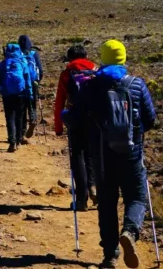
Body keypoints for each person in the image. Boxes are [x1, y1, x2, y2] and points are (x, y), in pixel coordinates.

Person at [66, 40, 156, 269]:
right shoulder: (136, 84)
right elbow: (150, 119)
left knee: (106, 203)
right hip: (132, 153)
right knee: (136, 197)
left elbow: (75, 119)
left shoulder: (91, 86)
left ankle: (110, 255)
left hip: (101, 156)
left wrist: (67, 113)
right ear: (123, 58)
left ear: (103, 58)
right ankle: (130, 231)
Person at [55, 44, 99, 211]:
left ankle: (81, 199)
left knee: (77, 155)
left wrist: (58, 127)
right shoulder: (96, 70)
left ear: (70, 58)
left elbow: (60, 101)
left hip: (75, 118)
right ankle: (94, 187)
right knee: (91, 154)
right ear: (86, 56)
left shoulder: (67, 74)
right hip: (95, 118)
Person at [0, 43, 32, 153]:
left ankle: (12, 142)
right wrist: (29, 93)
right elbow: (27, 78)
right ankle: (18, 140)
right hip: (20, 93)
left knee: (9, 117)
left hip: (7, 93)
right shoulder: (22, 62)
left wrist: (0, 89)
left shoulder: (3, 64)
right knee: (19, 117)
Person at [18, 34, 44, 143]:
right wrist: (38, 81)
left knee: (22, 108)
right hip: (33, 83)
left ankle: (22, 133)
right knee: (32, 104)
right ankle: (33, 120)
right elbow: (40, 70)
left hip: (22, 83)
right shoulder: (34, 53)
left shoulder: (17, 53)